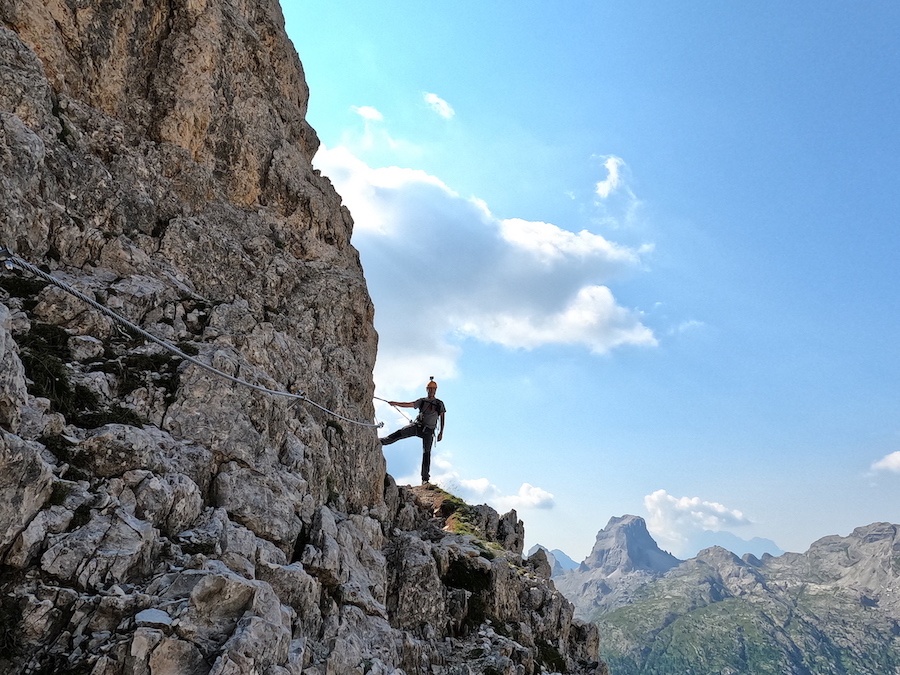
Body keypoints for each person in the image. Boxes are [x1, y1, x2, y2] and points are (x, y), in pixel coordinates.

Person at [380, 377, 446, 484]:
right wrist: (395, 403)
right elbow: (409, 404)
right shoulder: (422, 401)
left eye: (433, 389)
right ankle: (382, 441)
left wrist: (441, 432)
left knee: (426, 453)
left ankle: (425, 479)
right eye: (430, 389)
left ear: (435, 390)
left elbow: (443, 418)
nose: (431, 391)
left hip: (429, 431)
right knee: (400, 433)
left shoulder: (439, 404)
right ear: (427, 389)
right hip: (418, 427)